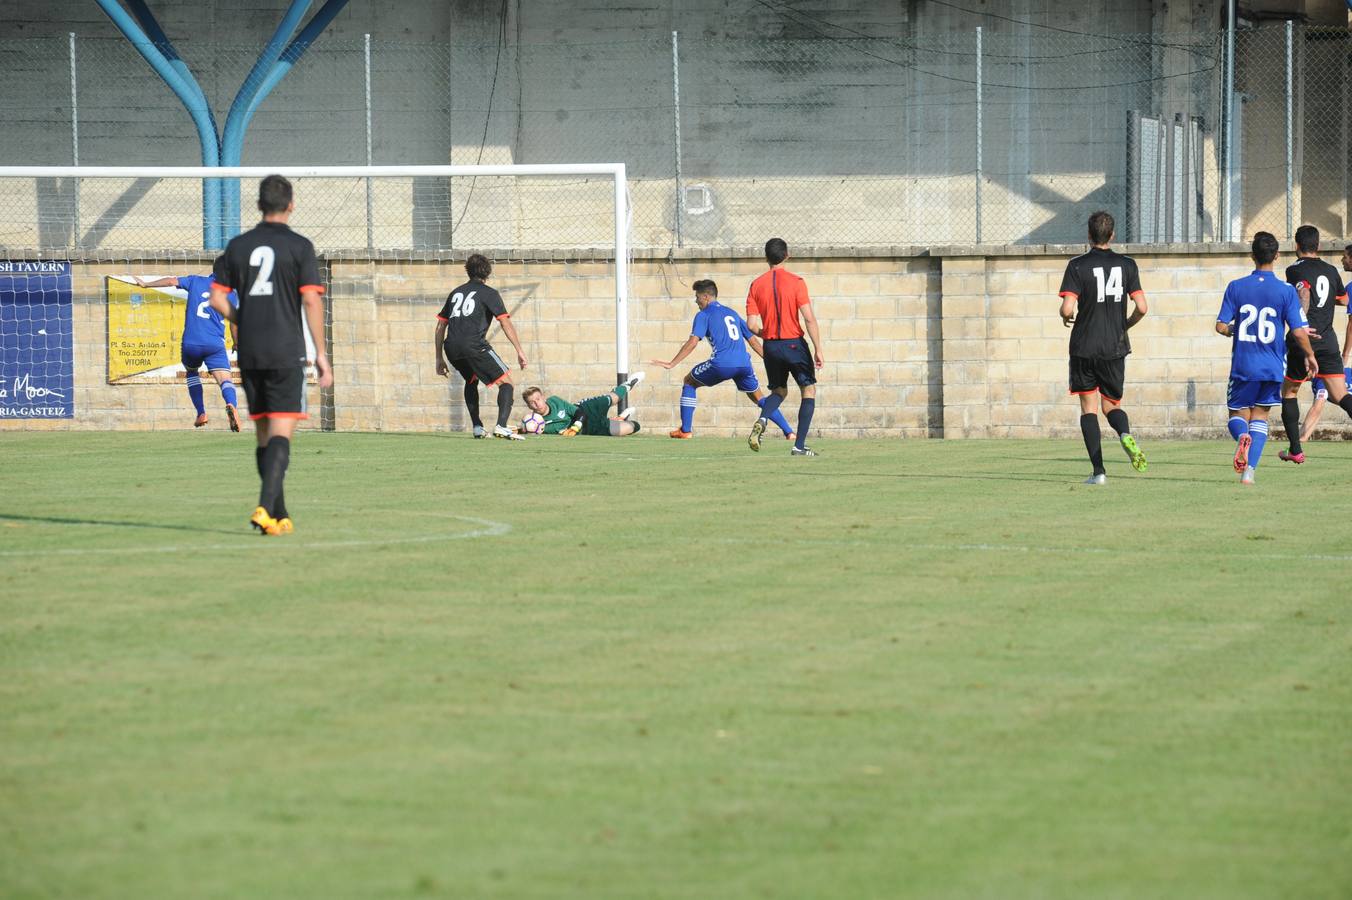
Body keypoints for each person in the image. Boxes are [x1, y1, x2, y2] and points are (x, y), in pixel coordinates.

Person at [209, 174, 333, 535]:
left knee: (264, 433)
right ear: (291, 205)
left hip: (250, 352)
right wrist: (321, 354)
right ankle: (265, 507)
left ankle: (278, 515)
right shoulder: (300, 246)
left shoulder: (237, 246)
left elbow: (217, 298)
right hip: (285, 350)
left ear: (259, 205)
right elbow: (311, 299)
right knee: (282, 431)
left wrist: (242, 319)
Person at [1216, 232, 1316, 485]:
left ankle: (1241, 438)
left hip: (1243, 365)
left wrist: (1233, 330)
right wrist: (1310, 355)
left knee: (1237, 414)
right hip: (1272, 367)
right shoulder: (1286, 291)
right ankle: (1249, 471)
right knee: (1260, 416)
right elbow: (1297, 331)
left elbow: (1220, 326)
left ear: (1252, 255)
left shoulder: (1236, 287)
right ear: (1277, 256)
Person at [1057, 210, 1149, 485]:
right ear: (1112, 235)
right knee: (1111, 405)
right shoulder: (1127, 265)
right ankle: (1124, 434)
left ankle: (1098, 472)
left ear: (1088, 235)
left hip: (1084, 346)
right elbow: (1142, 307)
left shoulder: (1076, 265)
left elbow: (1067, 306)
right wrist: (1125, 325)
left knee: (1089, 408)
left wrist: (1065, 316)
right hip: (1114, 347)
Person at [649, 279, 794, 442]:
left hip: (722, 364)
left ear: (705, 297)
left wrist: (672, 363)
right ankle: (789, 432)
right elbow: (753, 341)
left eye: (697, 297)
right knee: (759, 398)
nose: (696, 301)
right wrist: (772, 363)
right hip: (744, 364)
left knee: (689, 382)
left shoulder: (703, 315)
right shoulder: (732, 313)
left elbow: (693, 342)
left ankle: (685, 430)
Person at [1275, 225, 1350, 463]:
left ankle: (1296, 450)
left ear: (1297, 246)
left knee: (1289, 390)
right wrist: (1326, 302)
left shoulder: (1294, 269)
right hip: (1328, 340)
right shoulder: (1331, 270)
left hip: (1305, 338)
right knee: (1341, 395)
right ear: (1318, 246)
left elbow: (1304, 292)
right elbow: (1344, 299)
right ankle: (1295, 448)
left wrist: (1303, 322)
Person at [434, 254, 528, 440]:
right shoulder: (489, 293)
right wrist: (519, 350)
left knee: (471, 380)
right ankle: (501, 426)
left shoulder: (455, 293)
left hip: (451, 347)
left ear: (468, 271)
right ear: (488, 272)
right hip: (474, 345)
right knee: (507, 383)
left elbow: (440, 326)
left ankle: (477, 427)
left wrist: (439, 358)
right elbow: (505, 322)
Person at [132, 273, 240, 430]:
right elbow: (234, 324)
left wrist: (146, 284)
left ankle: (201, 413)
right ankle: (231, 404)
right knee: (225, 380)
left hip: (191, 343)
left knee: (191, 371)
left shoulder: (195, 281)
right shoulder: (232, 294)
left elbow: (170, 280)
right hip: (214, 344)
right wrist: (236, 344)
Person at [745, 240, 823, 456]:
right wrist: (818, 348)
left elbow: (751, 326)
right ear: (787, 255)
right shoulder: (796, 282)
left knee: (778, 390)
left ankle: (763, 418)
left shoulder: (756, 285)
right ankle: (798, 445)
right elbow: (809, 318)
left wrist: (768, 332)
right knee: (808, 390)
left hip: (771, 346)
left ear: (766, 257)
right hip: (794, 344)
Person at [520, 373, 645, 436]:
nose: (537, 403)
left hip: (586, 409)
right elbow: (526, 430)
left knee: (614, 398)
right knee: (632, 427)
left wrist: (575, 426)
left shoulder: (554, 401)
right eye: (532, 402)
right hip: (588, 429)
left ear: (543, 397)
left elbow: (579, 413)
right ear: (529, 406)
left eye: (538, 399)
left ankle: (627, 385)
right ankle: (619, 419)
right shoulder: (535, 424)